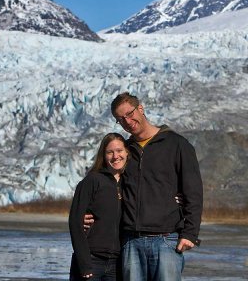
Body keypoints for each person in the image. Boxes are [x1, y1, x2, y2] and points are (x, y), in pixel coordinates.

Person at [86, 92, 203, 281]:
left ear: (140, 108)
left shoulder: (177, 144)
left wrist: (190, 233)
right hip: (131, 242)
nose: (127, 121)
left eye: (129, 113)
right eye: (120, 119)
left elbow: (194, 192)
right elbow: (106, 185)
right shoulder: (125, 151)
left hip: (166, 240)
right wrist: (86, 214)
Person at [69, 132, 128, 280]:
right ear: (104, 155)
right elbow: (75, 221)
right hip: (91, 260)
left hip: (117, 264)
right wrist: (84, 263)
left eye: (119, 151)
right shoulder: (92, 180)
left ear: (127, 152)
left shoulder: (129, 183)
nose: (115, 156)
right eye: (110, 152)